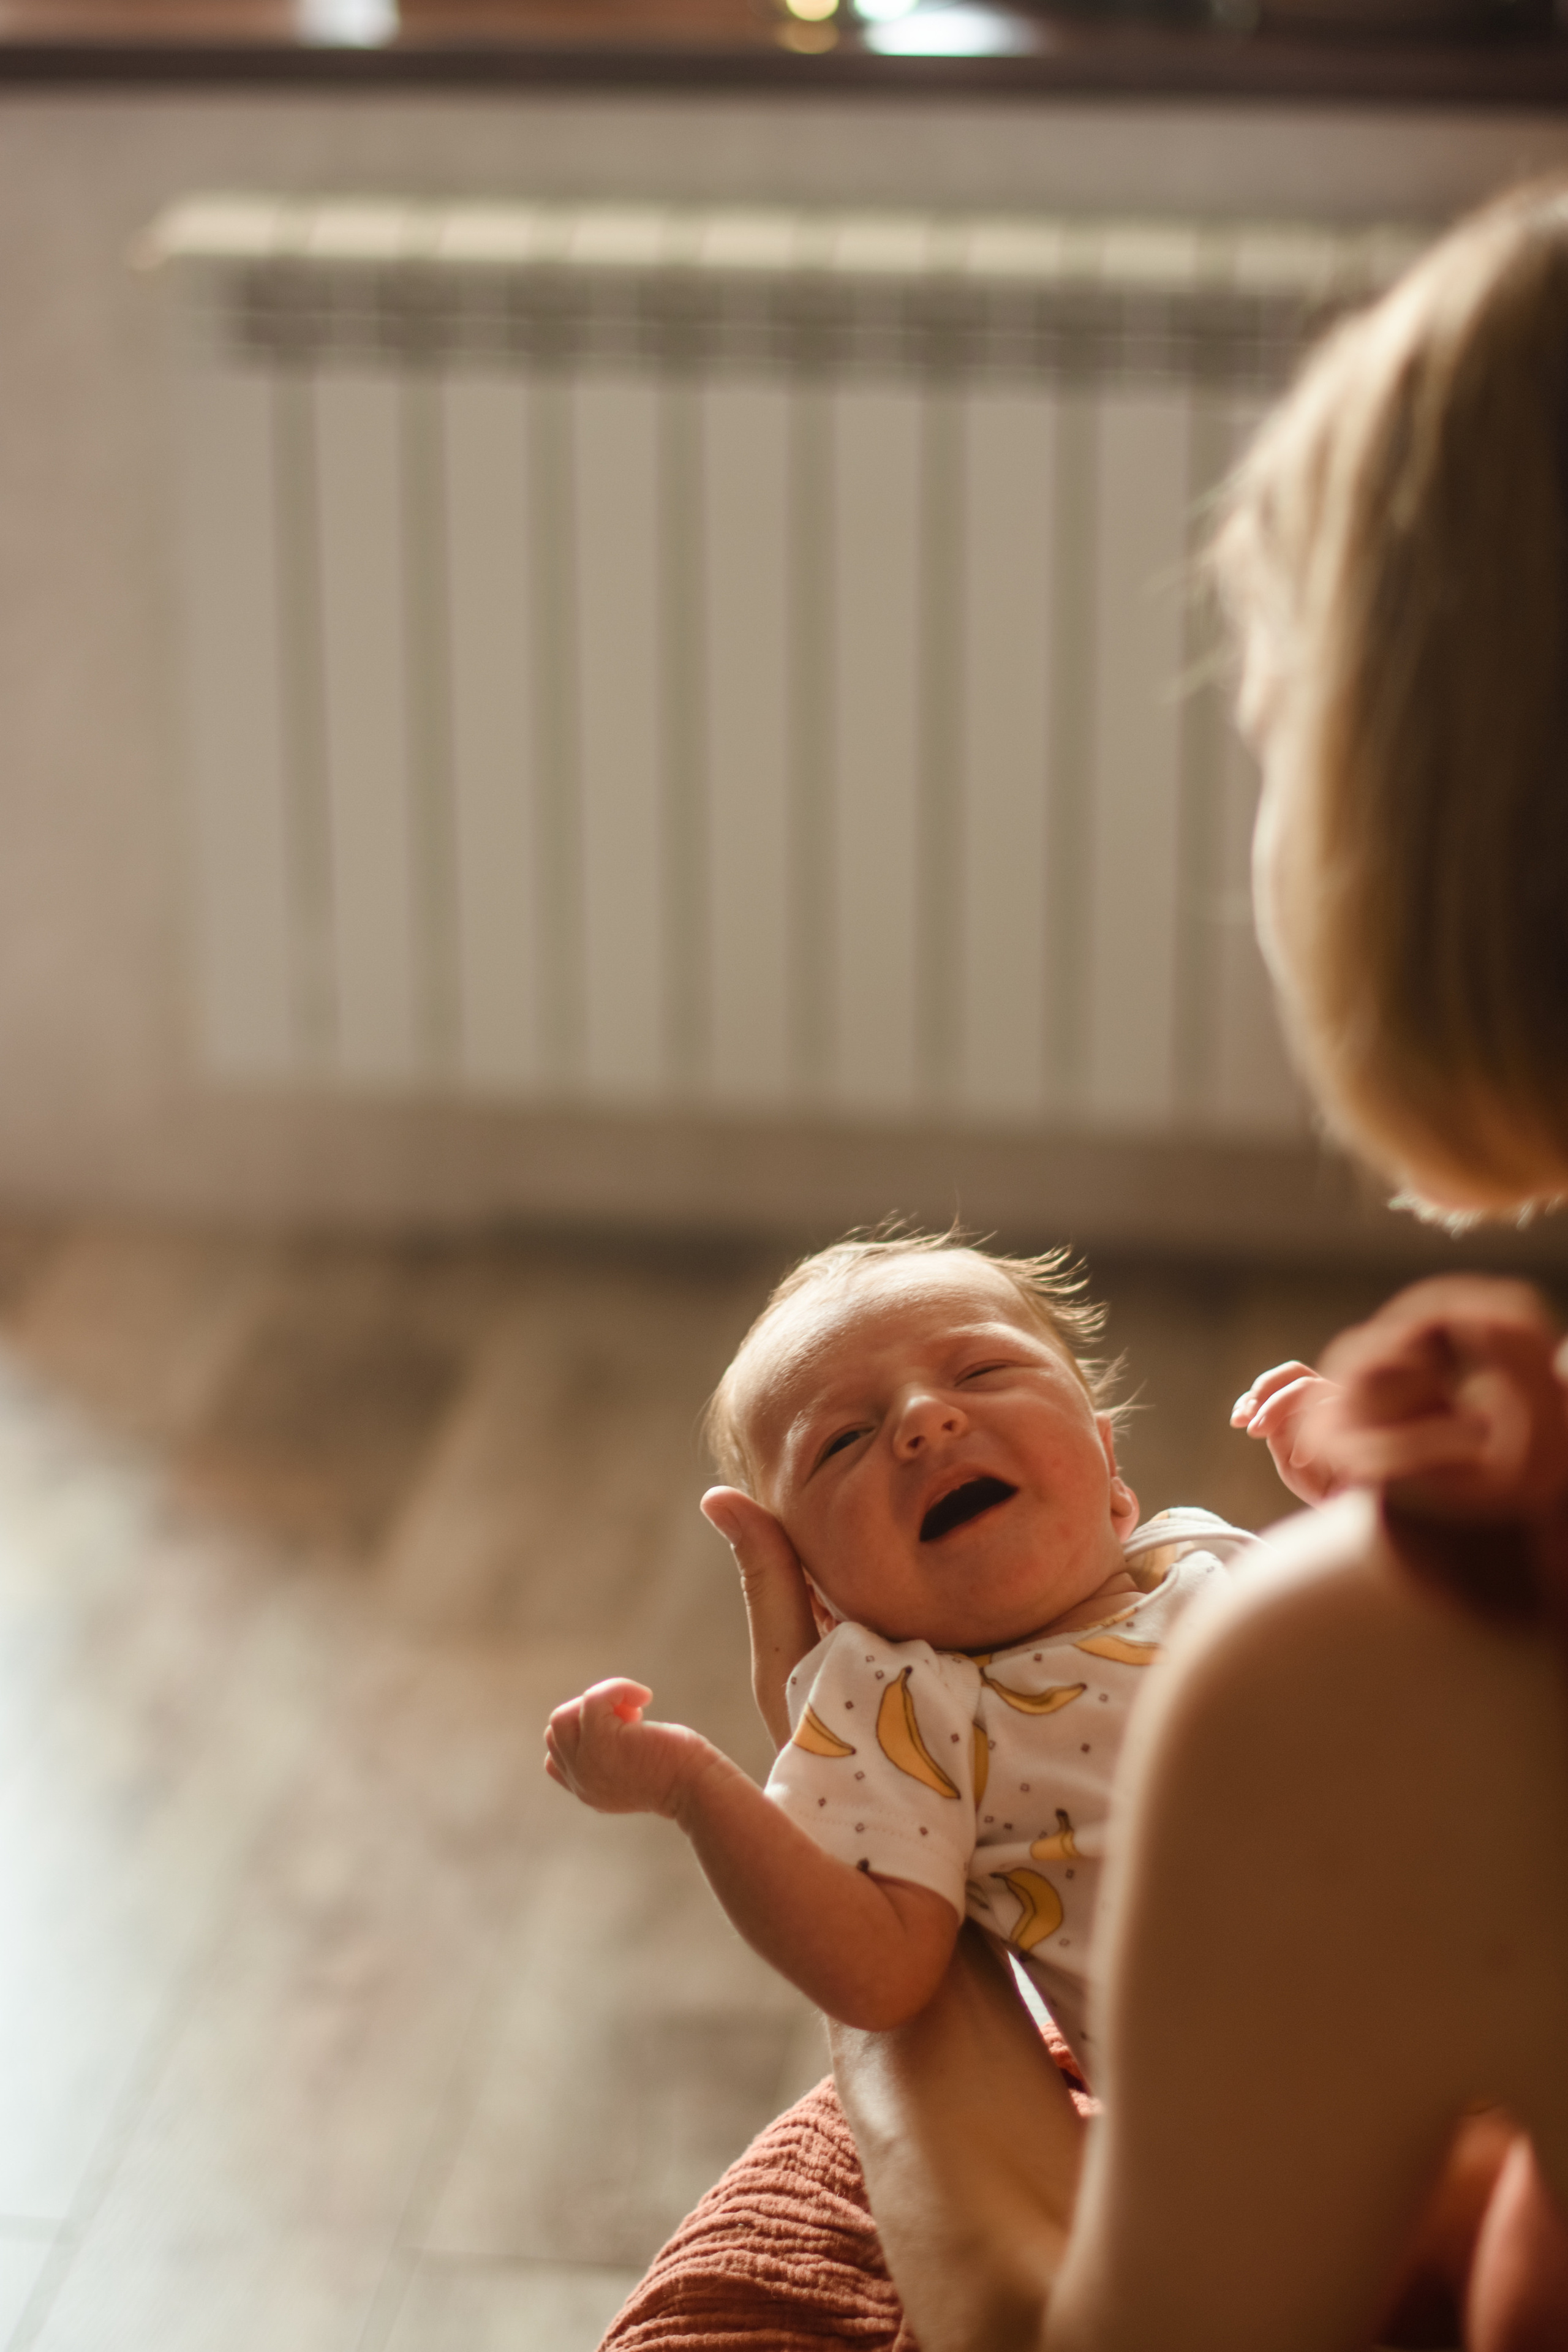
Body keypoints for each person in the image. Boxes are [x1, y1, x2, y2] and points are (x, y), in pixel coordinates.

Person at [708, 179, 1568, 2352]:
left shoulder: (1349, 1681)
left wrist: (908, 1995)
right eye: (841, 1433)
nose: (926, 1422)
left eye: (1281, 710)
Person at [545, 1231, 1265, 2060]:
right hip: (1254, 2096)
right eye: (842, 1441)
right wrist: (693, 1790)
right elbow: (878, 1977)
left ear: (1109, 1463)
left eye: (983, 1372)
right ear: (820, 1596)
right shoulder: (906, 1711)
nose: (924, 1419)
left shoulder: (1200, 1558)